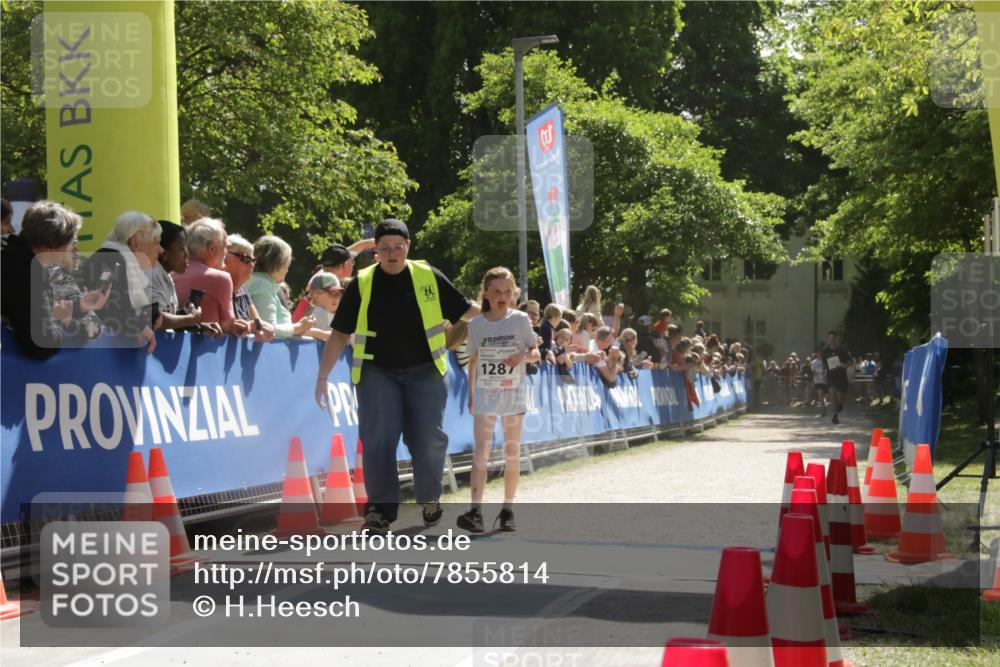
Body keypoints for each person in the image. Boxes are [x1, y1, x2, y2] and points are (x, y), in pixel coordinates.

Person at [315, 219, 479, 533]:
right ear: (375, 252)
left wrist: (505, 319)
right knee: (377, 440)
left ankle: (430, 498)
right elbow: (338, 333)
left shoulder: (428, 275)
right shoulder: (362, 282)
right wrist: (322, 376)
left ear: (408, 247)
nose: (392, 254)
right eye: (385, 249)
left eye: (398, 248)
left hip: (426, 371)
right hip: (377, 372)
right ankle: (378, 511)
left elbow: (465, 309)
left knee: (428, 439)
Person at [459, 267, 540, 533]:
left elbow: (535, 353)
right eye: (496, 291)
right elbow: (472, 360)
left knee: (511, 451)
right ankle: (475, 511)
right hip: (485, 394)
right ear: (485, 294)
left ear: (514, 293)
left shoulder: (519, 320)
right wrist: (471, 394)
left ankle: (507, 510)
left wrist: (521, 357)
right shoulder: (477, 324)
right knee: (481, 451)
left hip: (512, 393)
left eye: (507, 291)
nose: (501, 295)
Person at [1, 201, 109, 358]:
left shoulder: (14, 254)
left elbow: (92, 328)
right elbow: (41, 346)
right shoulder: (27, 273)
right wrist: (61, 321)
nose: (74, 248)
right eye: (71, 242)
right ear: (53, 247)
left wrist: (79, 306)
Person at [80, 211, 160, 353]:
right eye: (156, 242)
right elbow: (107, 310)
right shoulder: (110, 261)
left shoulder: (113, 258)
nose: (161, 250)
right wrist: (140, 326)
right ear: (135, 242)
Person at [172, 218, 248, 337]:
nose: (226, 252)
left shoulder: (170, 274)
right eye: (225, 246)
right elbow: (227, 325)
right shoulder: (221, 278)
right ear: (212, 249)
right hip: (206, 350)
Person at [245, 235, 323, 340]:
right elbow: (267, 329)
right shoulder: (262, 284)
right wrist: (298, 327)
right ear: (277, 264)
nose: (287, 270)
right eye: (286, 264)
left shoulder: (261, 282)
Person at [150, 220, 217, 334]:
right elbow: (155, 318)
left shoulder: (166, 275)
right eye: (182, 248)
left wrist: (197, 326)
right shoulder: (150, 274)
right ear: (163, 252)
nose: (187, 254)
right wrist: (190, 319)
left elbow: (169, 318)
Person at [223, 234, 275, 341]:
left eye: (253, 260)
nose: (251, 265)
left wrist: (263, 330)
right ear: (225, 258)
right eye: (246, 259)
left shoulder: (243, 292)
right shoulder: (214, 288)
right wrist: (250, 327)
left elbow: (258, 324)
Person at [823, 331, 852, 424]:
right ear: (827, 339)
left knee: (840, 395)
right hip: (831, 376)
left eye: (833, 338)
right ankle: (835, 415)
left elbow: (850, 361)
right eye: (829, 338)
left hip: (841, 376)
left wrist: (844, 364)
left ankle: (841, 403)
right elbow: (824, 363)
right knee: (832, 396)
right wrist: (824, 371)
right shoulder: (826, 351)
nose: (831, 340)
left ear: (836, 339)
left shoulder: (842, 350)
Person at [306, 271, 345, 336]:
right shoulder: (320, 312)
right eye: (332, 293)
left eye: (339, 293)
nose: (336, 297)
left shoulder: (327, 314)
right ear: (317, 296)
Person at [810, 348, 829, 417]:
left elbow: (828, 369)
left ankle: (825, 404)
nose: (819, 354)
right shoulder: (813, 362)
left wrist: (825, 374)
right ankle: (823, 410)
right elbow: (814, 372)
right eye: (818, 353)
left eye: (820, 353)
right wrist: (819, 375)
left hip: (826, 381)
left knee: (826, 396)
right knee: (820, 395)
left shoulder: (826, 361)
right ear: (816, 354)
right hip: (818, 381)